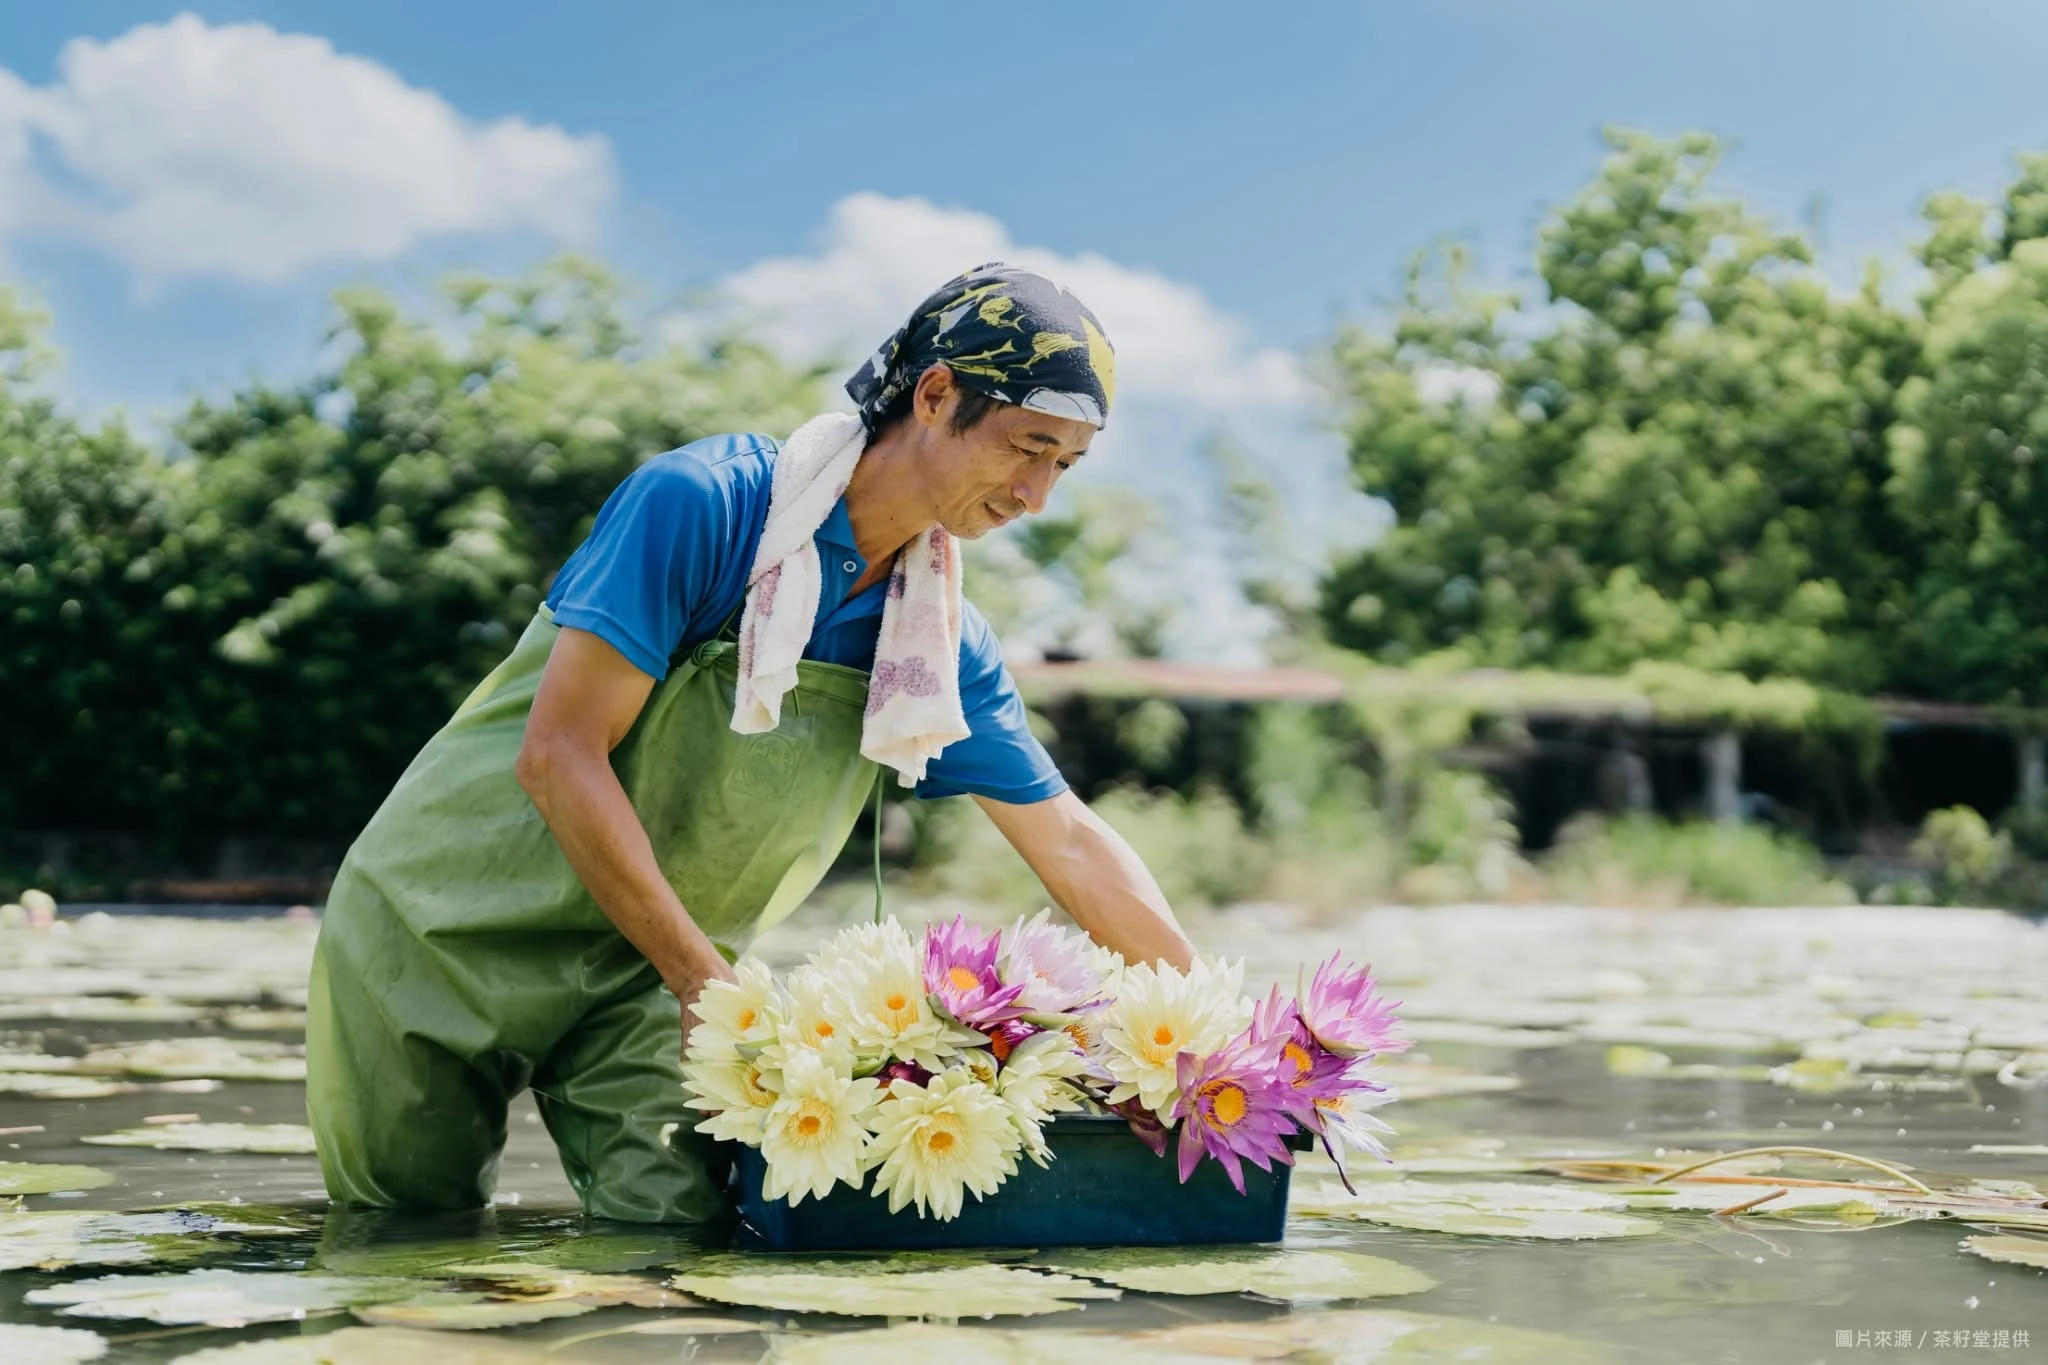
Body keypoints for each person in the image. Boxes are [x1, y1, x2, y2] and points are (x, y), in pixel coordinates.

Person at [305, 264, 1196, 1223]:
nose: (1037, 496)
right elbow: (558, 755)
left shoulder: (937, 644)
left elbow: (1066, 840)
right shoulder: (707, 507)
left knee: (685, 1241)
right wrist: (705, 981)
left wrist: (1210, 1035)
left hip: (649, 977)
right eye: (1028, 447)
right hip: (442, 937)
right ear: (935, 395)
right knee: (405, 1250)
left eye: (1064, 464)